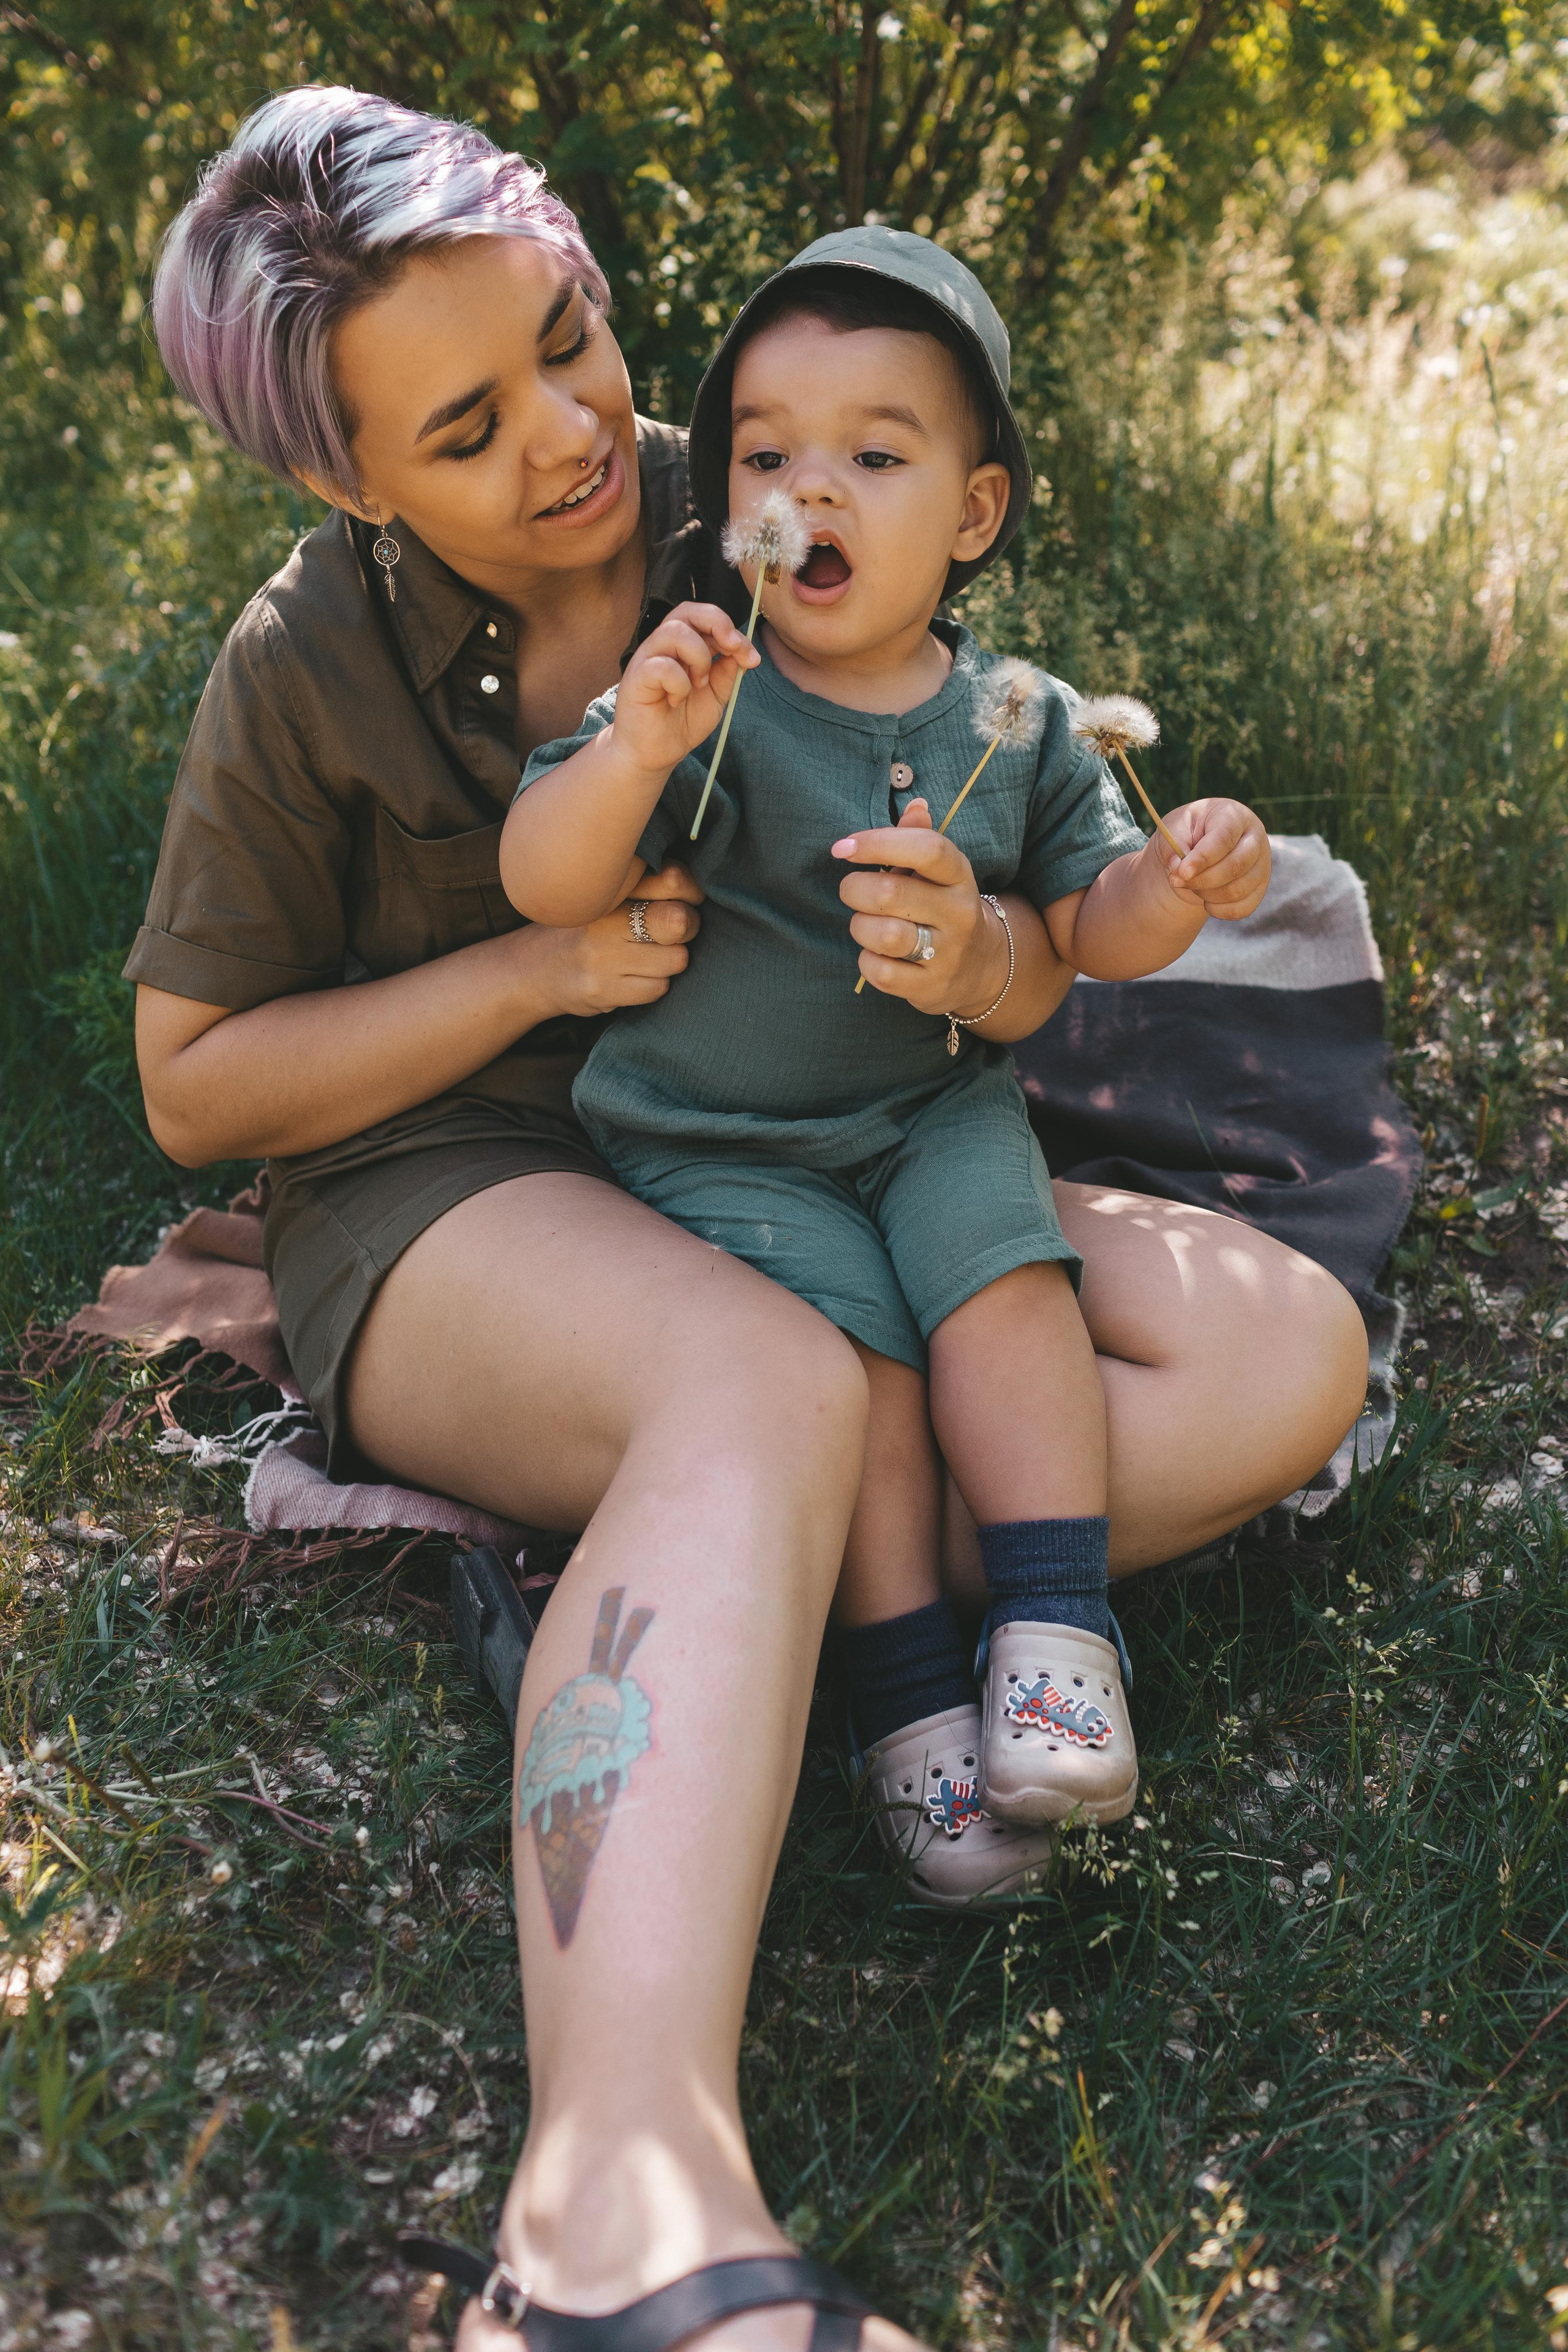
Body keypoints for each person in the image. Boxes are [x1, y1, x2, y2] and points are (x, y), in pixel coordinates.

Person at [131, 85, 1367, 2350]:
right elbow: (193, 1078)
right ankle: (615, 2223)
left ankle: (697, 1577)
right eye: (471, 423)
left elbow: (1008, 854)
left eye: (575, 335)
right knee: (771, 1379)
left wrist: (1005, 961)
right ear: (347, 473)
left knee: (1285, 1347)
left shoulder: (778, 489)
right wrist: (527, 970)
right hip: (463, 1201)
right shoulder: (299, 667)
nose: (576, 433)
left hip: (800, 1140)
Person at [501, 233, 1272, 1907]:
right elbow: (542, 879)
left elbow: (1095, 919)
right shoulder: (707, 689)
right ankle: (908, 1698)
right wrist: (632, 746)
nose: (812, 489)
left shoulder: (1025, 719)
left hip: (934, 1107)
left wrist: (1178, 878)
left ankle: (1060, 1638)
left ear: (974, 513)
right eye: (769, 454)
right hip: (720, 1144)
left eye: (873, 452)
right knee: (877, 1391)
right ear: (731, 507)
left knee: (1010, 1299)